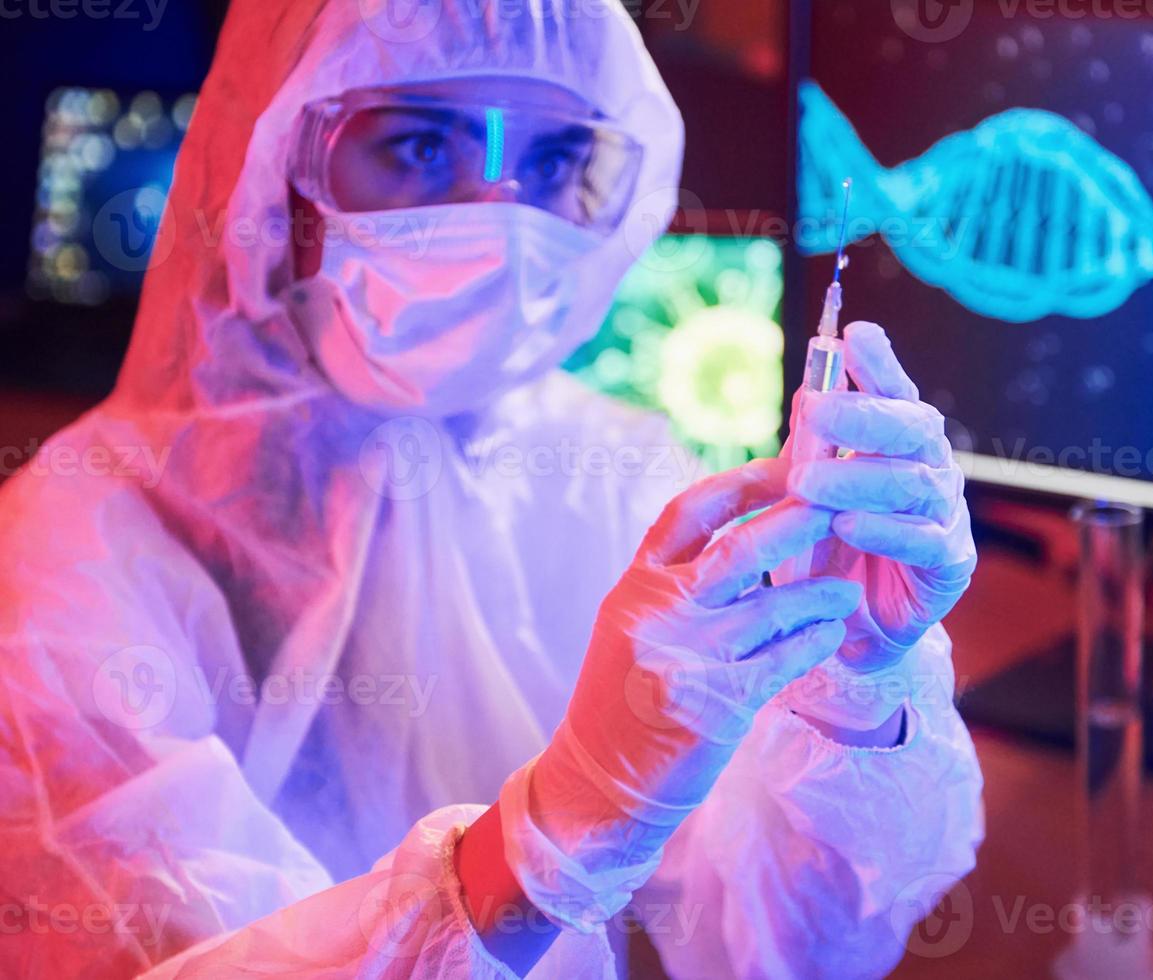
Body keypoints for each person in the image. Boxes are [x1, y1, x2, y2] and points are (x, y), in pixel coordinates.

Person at [0, 1, 984, 976]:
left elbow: (786, 954)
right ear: (275, 171)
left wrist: (852, 688)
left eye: (553, 161)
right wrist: (543, 842)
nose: (499, 219)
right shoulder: (68, 554)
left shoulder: (616, 474)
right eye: (422, 146)